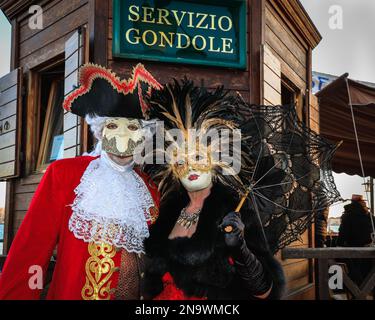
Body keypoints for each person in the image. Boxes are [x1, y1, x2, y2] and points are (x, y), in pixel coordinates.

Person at [0, 63, 162, 300]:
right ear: (100, 131)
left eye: (133, 128)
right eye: (113, 126)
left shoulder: (148, 188)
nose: (123, 137)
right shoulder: (65, 175)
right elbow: (30, 254)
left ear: (143, 136)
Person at [142, 79, 285, 300]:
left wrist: (240, 250)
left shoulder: (237, 212)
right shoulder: (165, 211)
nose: (189, 166)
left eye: (198, 156)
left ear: (218, 158)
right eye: (180, 160)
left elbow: (265, 291)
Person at [337, 194, 375, 286]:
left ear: (352, 202)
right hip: (367, 250)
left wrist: (338, 245)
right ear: (362, 202)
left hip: (351, 250)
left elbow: (342, 234)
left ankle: (356, 293)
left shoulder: (347, 215)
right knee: (367, 275)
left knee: (353, 274)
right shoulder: (369, 215)